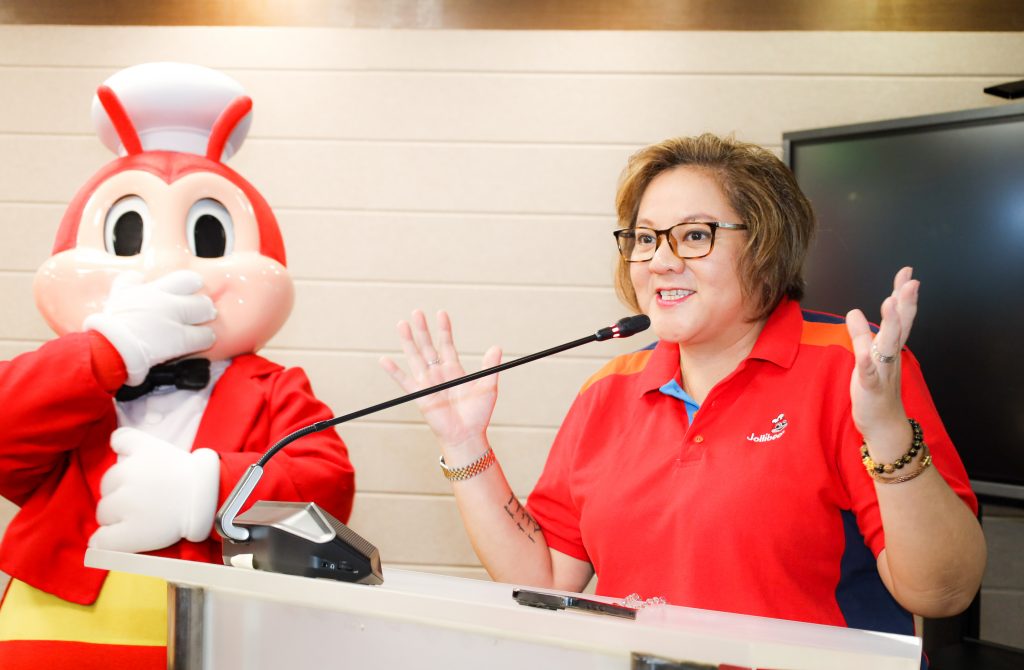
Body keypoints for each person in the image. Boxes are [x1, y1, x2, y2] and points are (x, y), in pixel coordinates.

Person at [380, 133, 985, 638]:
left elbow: (944, 592)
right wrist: (465, 448)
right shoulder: (608, 389)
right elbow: (544, 581)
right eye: (645, 238)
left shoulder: (851, 368)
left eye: (694, 235)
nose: (659, 261)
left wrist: (884, 428)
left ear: (767, 245)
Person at [0, 63, 355, 668]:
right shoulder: (65, 373)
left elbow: (326, 495)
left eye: (209, 238)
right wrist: (105, 349)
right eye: (129, 233)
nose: (164, 262)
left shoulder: (275, 389)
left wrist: (205, 491)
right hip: (59, 629)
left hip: (216, 633)